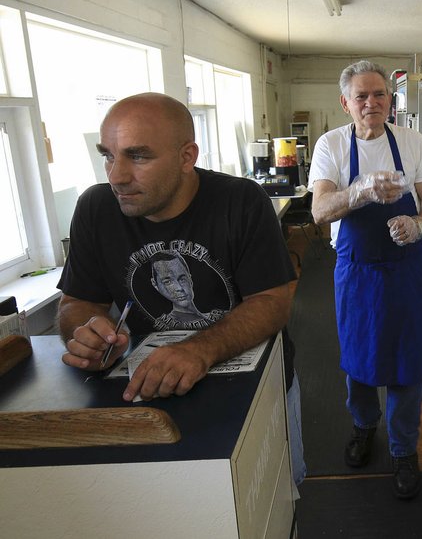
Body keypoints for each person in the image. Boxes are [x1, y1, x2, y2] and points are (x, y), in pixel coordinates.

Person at [56, 92, 307, 485]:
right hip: (143, 395)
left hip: (252, 388)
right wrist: (87, 334)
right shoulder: (95, 209)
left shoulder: (240, 201)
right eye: (108, 155)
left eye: (138, 156)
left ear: (187, 157)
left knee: (276, 495)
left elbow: (274, 301)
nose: (117, 175)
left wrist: (198, 349)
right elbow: (77, 301)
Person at [308, 60, 422, 499]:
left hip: (406, 268)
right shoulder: (330, 146)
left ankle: (404, 448)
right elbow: (319, 211)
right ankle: (364, 427)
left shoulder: (413, 141)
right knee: (360, 357)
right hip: (357, 270)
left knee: (408, 361)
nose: (372, 102)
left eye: (379, 94)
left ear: (391, 100)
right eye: (361, 96)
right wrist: (360, 191)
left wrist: (419, 225)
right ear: (345, 103)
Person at [149, 251, 224, 329]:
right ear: (155, 285)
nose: (179, 288)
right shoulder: (169, 323)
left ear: (190, 279)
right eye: (168, 282)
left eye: (182, 279)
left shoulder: (215, 315)